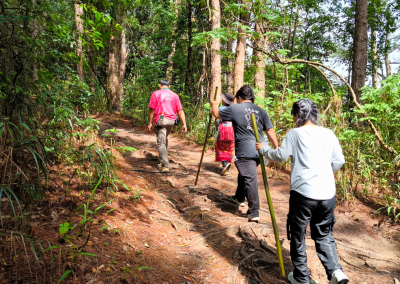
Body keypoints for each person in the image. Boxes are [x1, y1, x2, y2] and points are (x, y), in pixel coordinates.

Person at [255, 99, 349, 284]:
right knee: (323, 233)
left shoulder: (295, 134)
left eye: (294, 115)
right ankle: (336, 272)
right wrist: (326, 174)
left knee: (298, 235)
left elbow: (280, 156)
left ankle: (301, 278)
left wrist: (264, 149)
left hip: (303, 194)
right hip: (327, 193)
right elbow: (339, 161)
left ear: (298, 115)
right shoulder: (328, 133)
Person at [210, 85, 279, 222]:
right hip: (260, 149)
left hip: (246, 150)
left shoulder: (235, 108)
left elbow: (217, 114)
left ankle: (254, 211)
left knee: (250, 179)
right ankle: (239, 198)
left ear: (239, 97)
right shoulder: (261, 110)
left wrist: (214, 104)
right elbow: (270, 130)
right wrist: (277, 148)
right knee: (245, 174)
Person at [148, 79, 187, 172]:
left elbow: (152, 110)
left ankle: (165, 165)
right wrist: (184, 124)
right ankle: (162, 158)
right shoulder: (175, 95)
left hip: (161, 120)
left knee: (161, 142)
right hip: (171, 121)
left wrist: (149, 122)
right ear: (169, 86)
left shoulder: (156, 93)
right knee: (164, 138)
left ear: (159, 85)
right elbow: (180, 111)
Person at [215, 93, 235, 176]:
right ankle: (226, 167)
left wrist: (213, 106)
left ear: (224, 101)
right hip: (232, 132)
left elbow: (216, 118)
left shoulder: (220, 109)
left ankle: (225, 164)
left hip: (222, 132)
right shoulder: (234, 109)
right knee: (229, 148)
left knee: (220, 148)